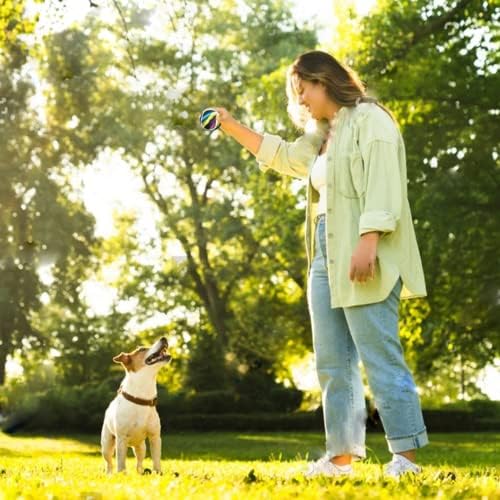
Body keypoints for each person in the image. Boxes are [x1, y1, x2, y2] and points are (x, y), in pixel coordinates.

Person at [213, 50, 429, 479]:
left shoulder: (371, 120)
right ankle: (341, 457)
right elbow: (283, 156)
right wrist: (230, 124)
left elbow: (384, 183)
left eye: (304, 90)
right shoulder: (322, 135)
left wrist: (369, 240)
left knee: (380, 354)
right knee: (333, 362)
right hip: (324, 251)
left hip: (366, 245)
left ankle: (406, 458)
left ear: (324, 79)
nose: (302, 101)